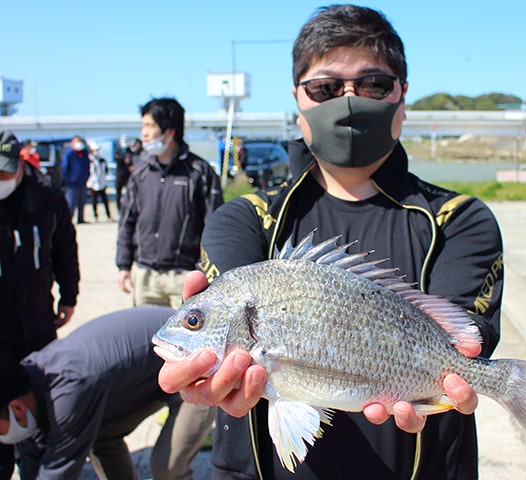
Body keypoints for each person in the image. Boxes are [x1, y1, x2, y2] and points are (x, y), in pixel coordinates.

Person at [158, 5, 504, 479]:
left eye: (374, 85)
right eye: (325, 88)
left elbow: (468, 341)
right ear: (298, 104)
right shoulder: (245, 218)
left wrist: (464, 365)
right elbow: (232, 339)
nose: (349, 100)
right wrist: (204, 374)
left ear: (402, 97)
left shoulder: (459, 220)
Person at [115, 97, 224, 467]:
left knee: (195, 351)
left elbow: (214, 226)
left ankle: (192, 417)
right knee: (156, 350)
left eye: (148, 128)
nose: (144, 135)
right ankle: (160, 407)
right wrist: (123, 264)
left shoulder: (199, 173)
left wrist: (208, 273)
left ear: (169, 131)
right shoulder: (140, 172)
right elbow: (127, 219)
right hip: (146, 272)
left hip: (183, 276)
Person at [0, 307, 211, 480]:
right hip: (147, 378)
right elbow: (31, 457)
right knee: (101, 439)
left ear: (16, 408)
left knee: (167, 468)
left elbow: (58, 470)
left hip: (195, 372)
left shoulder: (70, 388)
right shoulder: (25, 385)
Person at [0, 130, 80, 480]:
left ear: (19, 163)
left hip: (36, 325)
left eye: (4, 172)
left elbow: (65, 247)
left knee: (39, 411)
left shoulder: (46, 197)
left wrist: (70, 295)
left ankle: (36, 469)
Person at [61, 136, 91, 224]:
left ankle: (81, 218)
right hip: (72, 184)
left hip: (82, 182)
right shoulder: (69, 154)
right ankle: (68, 221)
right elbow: (64, 168)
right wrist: (69, 179)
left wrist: (87, 176)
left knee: (82, 202)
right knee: (71, 203)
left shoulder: (84, 153)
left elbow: (87, 166)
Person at [87, 140, 113, 222]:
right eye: (95, 150)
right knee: (94, 201)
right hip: (93, 184)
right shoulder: (89, 160)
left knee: (105, 200)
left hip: (102, 183)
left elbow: (105, 171)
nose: (97, 152)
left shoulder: (102, 160)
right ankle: (95, 216)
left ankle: (109, 216)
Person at [115, 138, 141, 211]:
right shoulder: (118, 151)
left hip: (128, 174)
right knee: (118, 193)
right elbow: (117, 159)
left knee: (130, 191)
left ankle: (130, 206)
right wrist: (124, 159)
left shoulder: (129, 151)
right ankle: (119, 208)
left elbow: (133, 159)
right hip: (120, 174)